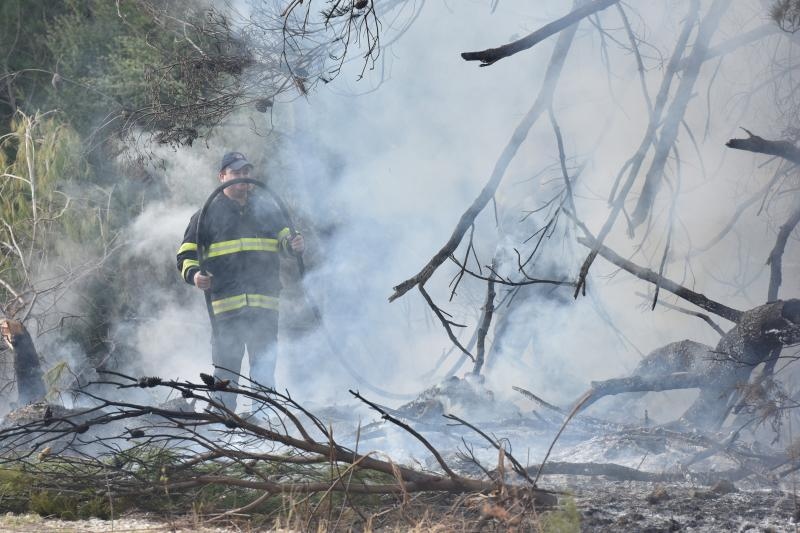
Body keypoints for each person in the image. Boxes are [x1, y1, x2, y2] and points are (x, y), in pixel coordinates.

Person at [176, 152, 305, 410]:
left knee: (264, 372)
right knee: (225, 374)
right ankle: (224, 429)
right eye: (235, 173)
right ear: (222, 176)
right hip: (226, 309)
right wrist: (196, 276)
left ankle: (268, 427)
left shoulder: (267, 210)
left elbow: (284, 242)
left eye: (246, 172)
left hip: (265, 306)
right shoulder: (206, 215)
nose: (242, 178)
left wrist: (294, 245)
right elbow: (185, 255)